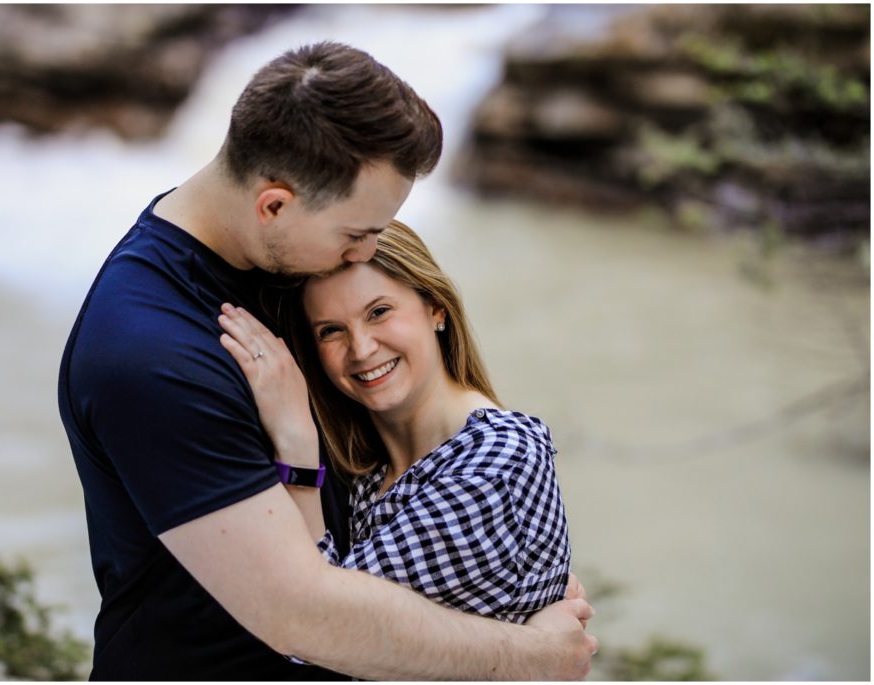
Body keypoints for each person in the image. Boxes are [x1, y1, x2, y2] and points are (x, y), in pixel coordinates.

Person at [58, 41, 596, 680]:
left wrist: (514, 567)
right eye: (356, 233)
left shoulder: (274, 258)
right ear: (275, 204)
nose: (368, 251)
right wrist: (530, 657)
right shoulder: (150, 353)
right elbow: (303, 616)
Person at [218, 219, 571, 629]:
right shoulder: (372, 472)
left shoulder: (494, 463)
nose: (362, 349)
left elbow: (322, 629)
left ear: (435, 308)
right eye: (331, 331)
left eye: (379, 312)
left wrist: (295, 439)